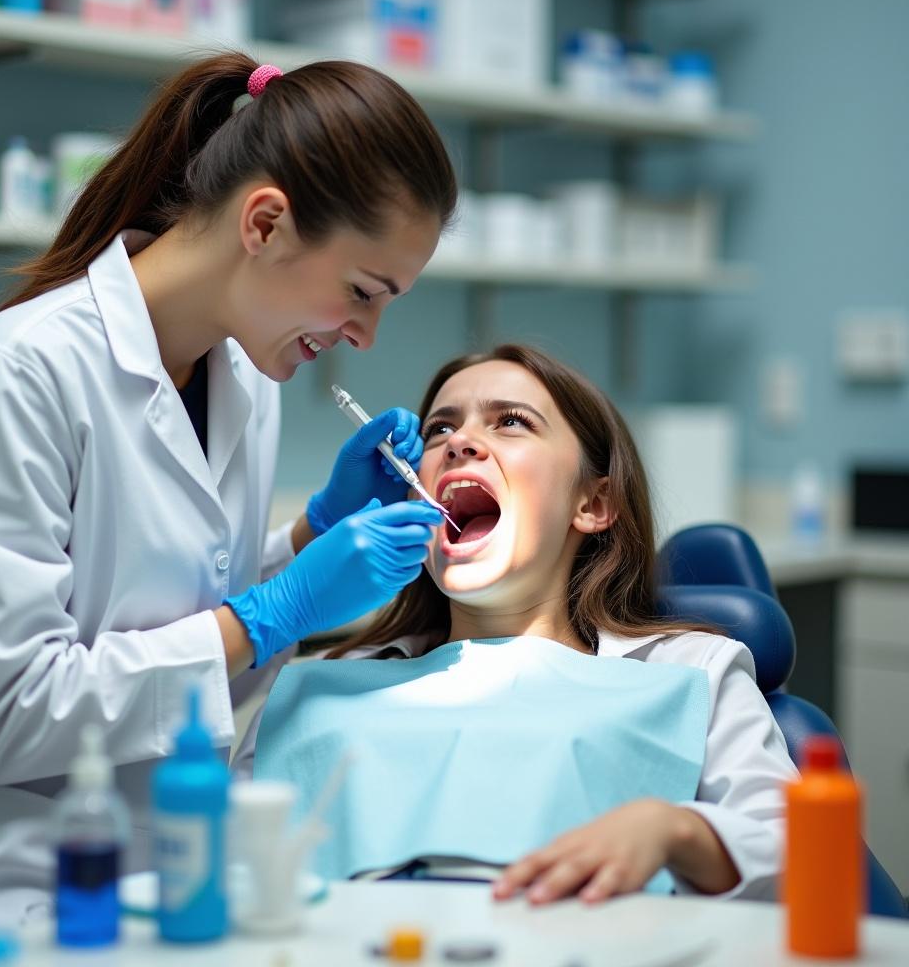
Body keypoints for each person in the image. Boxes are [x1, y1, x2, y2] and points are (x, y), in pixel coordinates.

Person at [0, 52, 456, 957]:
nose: (364, 335)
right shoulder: (19, 377)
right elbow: (4, 714)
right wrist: (279, 609)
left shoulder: (244, 374)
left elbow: (173, 604)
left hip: (173, 880)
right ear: (264, 222)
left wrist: (308, 536)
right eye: (362, 291)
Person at [236, 344, 799, 904]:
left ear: (593, 503)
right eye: (438, 431)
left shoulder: (689, 674)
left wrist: (673, 830)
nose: (458, 442)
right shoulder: (319, 688)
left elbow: (801, 854)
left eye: (511, 422)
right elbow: (220, 863)